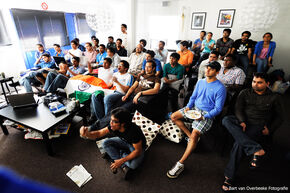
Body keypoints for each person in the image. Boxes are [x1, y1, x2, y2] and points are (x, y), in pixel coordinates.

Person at [221, 72, 283, 191]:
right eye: (254, 81)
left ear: (267, 83)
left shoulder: (275, 97)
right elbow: (238, 108)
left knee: (239, 144)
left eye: (259, 82)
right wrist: (242, 121)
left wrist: (270, 129)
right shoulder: (245, 92)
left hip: (258, 124)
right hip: (243, 121)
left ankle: (229, 176)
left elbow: (280, 117)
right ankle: (255, 149)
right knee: (226, 119)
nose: (255, 84)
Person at [167, 61, 226, 179]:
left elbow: (218, 109)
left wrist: (204, 117)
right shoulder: (200, 82)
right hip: (194, 108)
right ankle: (189, 136)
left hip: (206, 114)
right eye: (207, 68)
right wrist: (188, 106)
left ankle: (180, 164)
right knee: (173, 116)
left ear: (217, 72)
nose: (207, 70)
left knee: (195, 135)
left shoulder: (221, 88)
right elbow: (193, 96)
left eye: (211, 69)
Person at [80, 107, 146, 179]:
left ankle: (119, 154)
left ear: (123, 124)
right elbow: (99, 133)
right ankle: (123, 164)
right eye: (111, 120)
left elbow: (137, 151)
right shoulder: (113, 126)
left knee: (133, 165)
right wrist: (87, 134)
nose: (111, 123)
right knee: (105, 143)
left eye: (114, 121)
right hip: (124, 141)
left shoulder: (133, 132)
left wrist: (121, 161)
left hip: (136, 147)